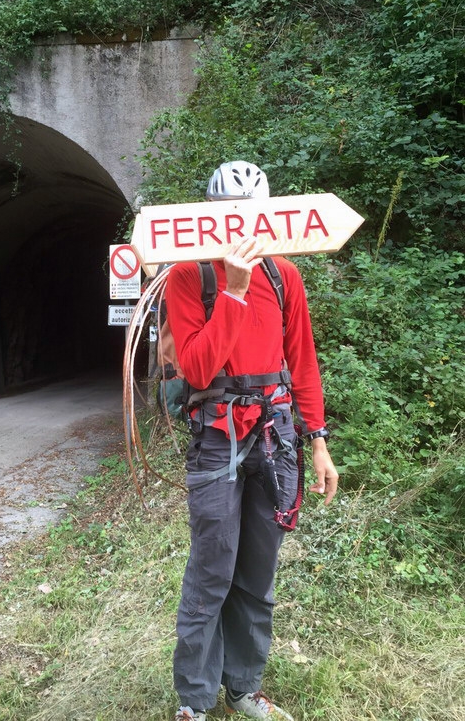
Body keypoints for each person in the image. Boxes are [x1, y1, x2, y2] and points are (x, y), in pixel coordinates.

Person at [165, 161, 339, 721]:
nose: (239, 224)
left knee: (257, 574)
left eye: (249, 214)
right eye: (227, 214)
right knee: (212, 570)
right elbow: (195, 367)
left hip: (275, 436)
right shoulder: (189, 276)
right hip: (217, 439)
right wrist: (233, 294)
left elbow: (303, 364)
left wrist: (318, 441)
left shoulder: (284, 276)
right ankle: (194, 700)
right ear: (209, 215)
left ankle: (242, 688)